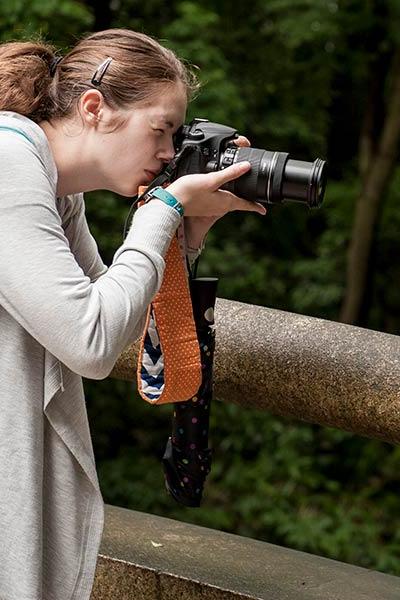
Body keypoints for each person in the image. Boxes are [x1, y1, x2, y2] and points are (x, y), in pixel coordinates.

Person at [0, 28, 265, 600]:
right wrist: (166, 206)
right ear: (94, 109)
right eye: (162, 130)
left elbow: (117, 319)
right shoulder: (7, 163)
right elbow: (91, 343)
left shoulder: (52, 185)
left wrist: (186, 235)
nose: (170, 154)